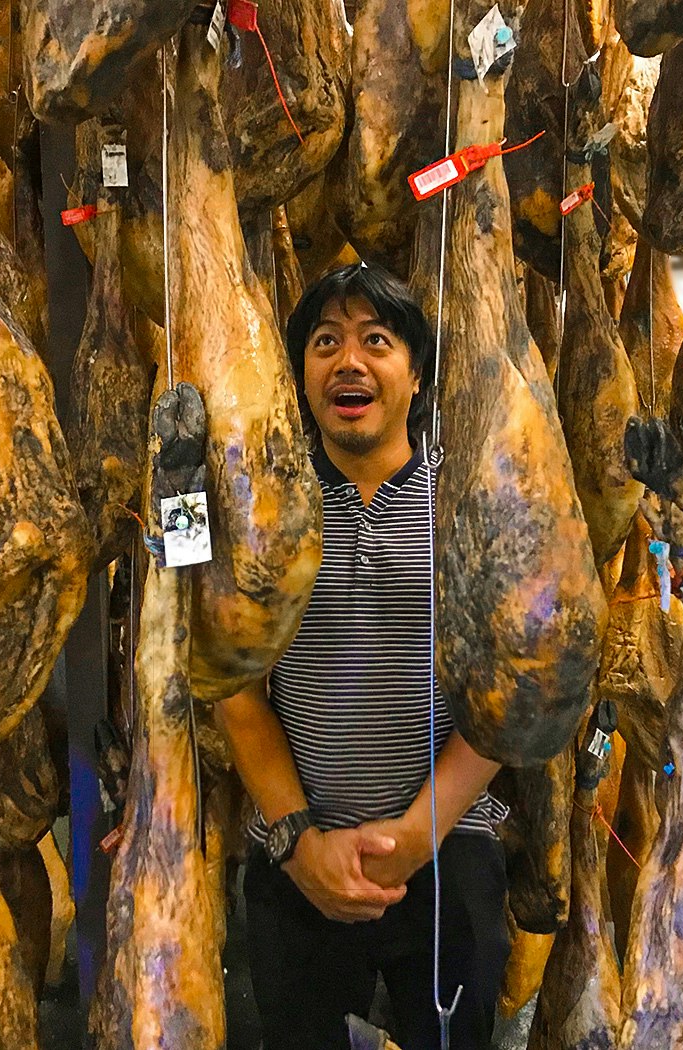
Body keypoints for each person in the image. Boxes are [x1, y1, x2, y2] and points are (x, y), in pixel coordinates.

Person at [216, 263, 511, 1050]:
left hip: (450, 852)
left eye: (375, 341)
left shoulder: (470, 500)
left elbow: (518, 682)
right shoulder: (261, 510)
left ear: (414, 376)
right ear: (302, 379)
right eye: (324, 342)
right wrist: (300, 844)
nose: (348, 360)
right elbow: (232, 688)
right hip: (297, 861)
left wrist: (420, 832)